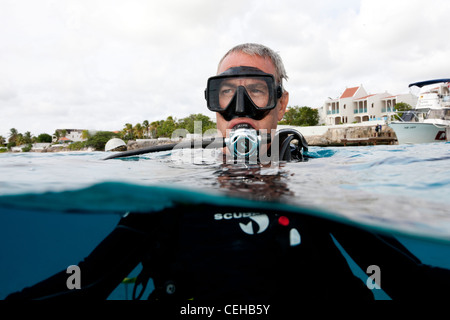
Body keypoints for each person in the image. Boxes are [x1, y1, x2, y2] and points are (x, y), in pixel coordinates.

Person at [6, 43, 450, 302]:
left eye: (256, 92)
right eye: (227, 94)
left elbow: (406, 279)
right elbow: (87, 281)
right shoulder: (175, 184)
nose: (241, 110)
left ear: (281, 103)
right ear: (212, 105)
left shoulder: (315, 180)